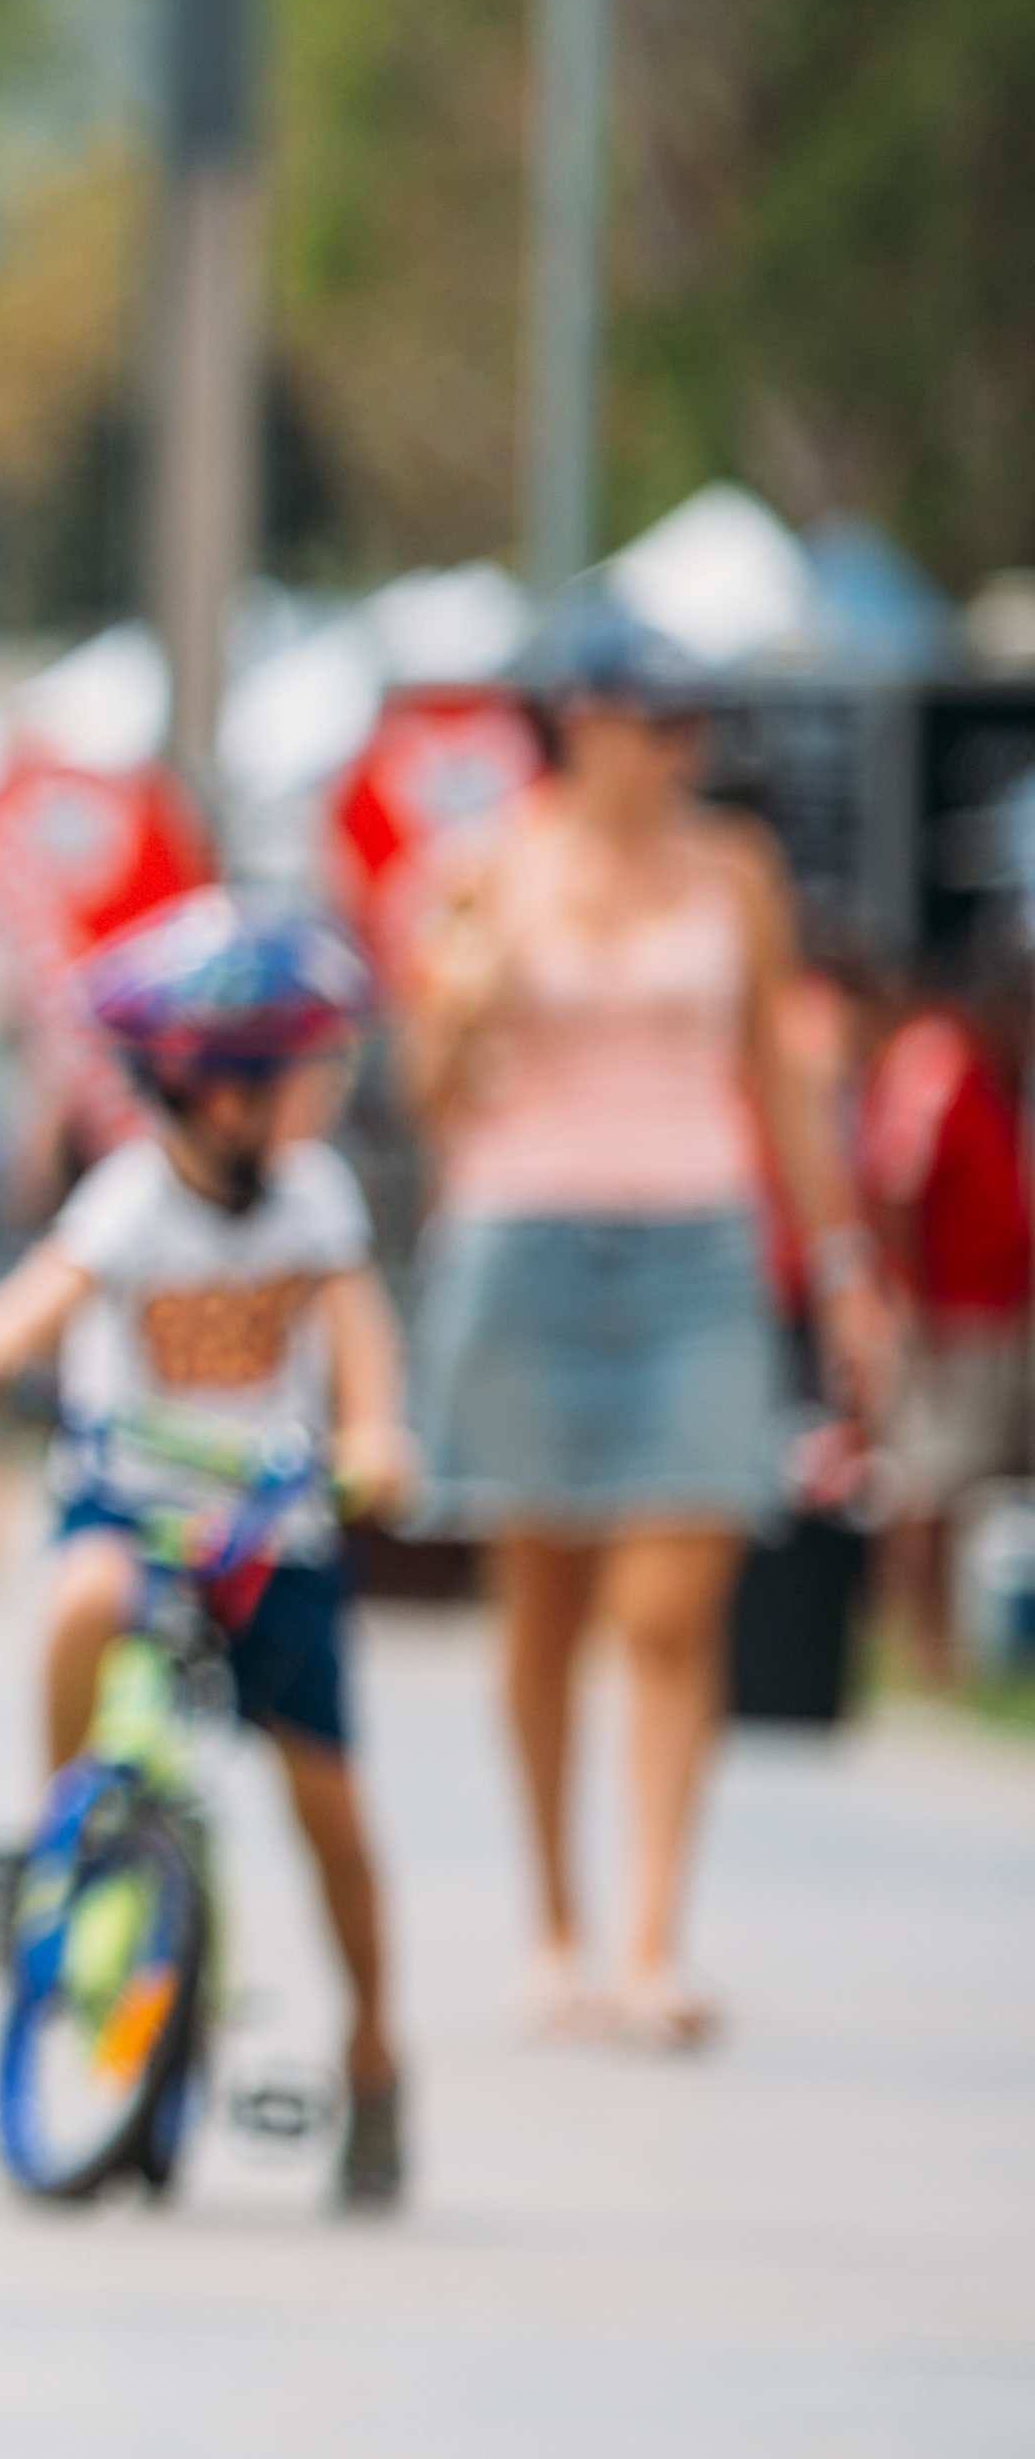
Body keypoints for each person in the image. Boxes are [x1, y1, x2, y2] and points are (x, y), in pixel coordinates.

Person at [405, 601, 899, 2052]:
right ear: (584, 722)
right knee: (543, 1601)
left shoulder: (733, 873)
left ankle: (653, 1938)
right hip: (523, 1235)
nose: (682, 749)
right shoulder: (484, 867)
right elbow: (429, 1089)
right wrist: (464, 999)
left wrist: (844, 1259)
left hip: (694, 1239)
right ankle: (553, 1922)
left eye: (696, 725)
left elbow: (782, 1082)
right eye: (658, 722)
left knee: (671, 1606)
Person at [0, 893, 421, 2209]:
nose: (329, 1094)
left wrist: (376, 1433)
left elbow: (357, 1330)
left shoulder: (314, 1198)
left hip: (271, 1529)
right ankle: (61, 1837)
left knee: (332, 1813)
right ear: (220, 1091)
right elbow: (47, 1292)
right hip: (130, 1505)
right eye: (311, 1069)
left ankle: (375, 2051)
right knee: (84, 1598)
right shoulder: (134, 1198)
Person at [860, 959, 1029, 1679]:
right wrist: (910, 1295)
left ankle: (946, 1647)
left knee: (959, 1482)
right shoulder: (937, 1058)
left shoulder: (992, 1073)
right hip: (943, 1311)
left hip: (991, 1307)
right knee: (925, 1479)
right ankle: (916, 1643)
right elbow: (897, 1185)